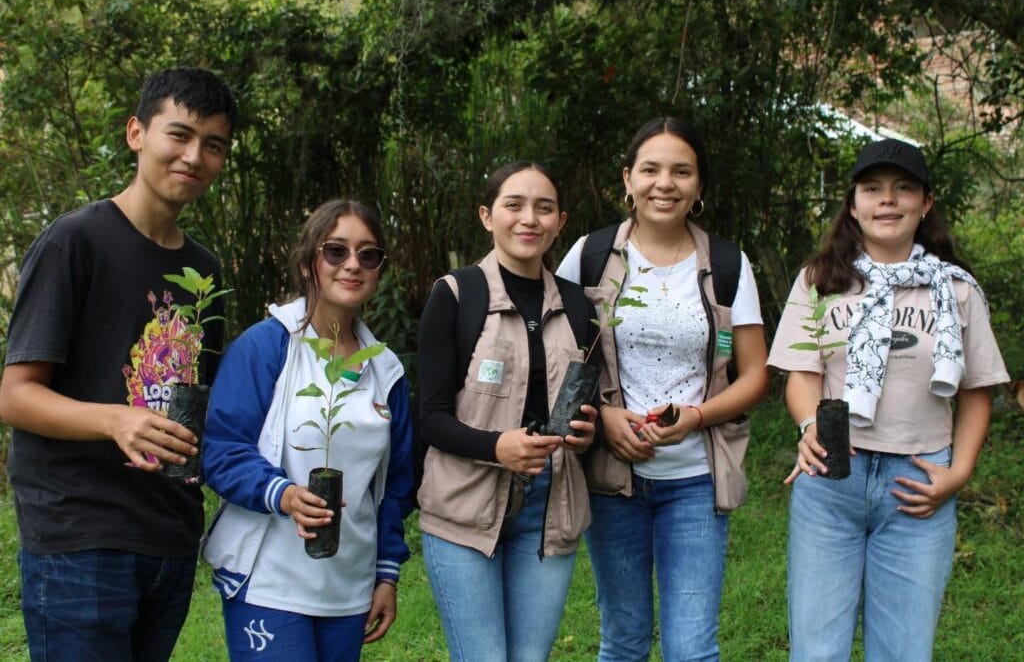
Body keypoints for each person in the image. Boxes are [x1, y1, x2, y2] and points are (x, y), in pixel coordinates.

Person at [0, 67, 236, 660]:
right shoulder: (74, 242)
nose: (194, 156)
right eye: (179, 135)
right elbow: (15, 395)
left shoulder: (204, 272)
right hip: (81, 538)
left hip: (169, 535)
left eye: (213, 145)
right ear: (137, 133)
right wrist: (115, 420)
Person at [767, 138, 1009, 661]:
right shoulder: (820, 281)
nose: (888, 200)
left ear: (926, 203)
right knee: (816, 651)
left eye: (904, 189)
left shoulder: (957, 290)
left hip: (917, 485)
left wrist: (959, 473)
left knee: (904, 651)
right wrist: (809, 425)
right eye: (872, 188)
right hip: (831, 478)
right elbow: (802, 375)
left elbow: (977, 390)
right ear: (853, 205)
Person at [557, 117, 770, 661]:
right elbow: (555, 356)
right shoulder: (590, 255)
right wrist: (603, 417)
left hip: (696, 480)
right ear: (628, 179)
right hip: (612, 480)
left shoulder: (727, 264)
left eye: (682, 171)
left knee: (691, 649)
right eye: (650, 169)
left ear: (699, 185)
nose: (665, 184)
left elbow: (755, 374)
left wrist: (697, 417)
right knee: (623, 641)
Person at [201, 198, 415, 661]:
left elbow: (395, 484)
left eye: (368, 255)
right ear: (306, 264)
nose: (352, 264)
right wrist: (283, 494)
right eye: (336, 251)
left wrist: (386, 572)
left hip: (349, 585)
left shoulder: (386, 370)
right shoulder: (265, 347)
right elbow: (222, 449)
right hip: (269, 580)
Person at [416, 161, 598, 661]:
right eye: (513, 205)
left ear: (560, 222)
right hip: (465, 506)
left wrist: (588, 434)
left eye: (544, 208)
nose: (529, 219)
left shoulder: (580, 306)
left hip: (550, 507)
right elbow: (429, 416)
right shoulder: (457, 295)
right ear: (486, 216)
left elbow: (587, 408)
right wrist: (497, 446)